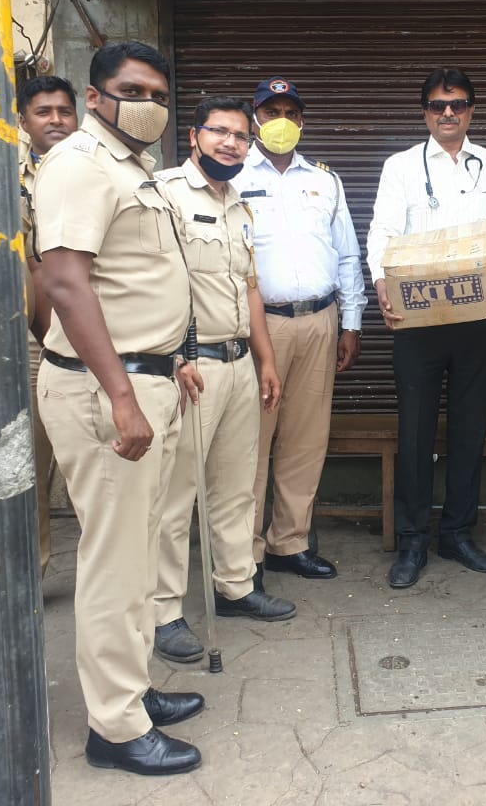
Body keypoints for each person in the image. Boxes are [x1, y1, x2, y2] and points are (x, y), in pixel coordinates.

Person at [32, 41, 204, 775]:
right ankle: (114, 727)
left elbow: (142, 278)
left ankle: (130, 689)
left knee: (137, 552)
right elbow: (67, 283)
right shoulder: (78, 162)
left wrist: (172, 361)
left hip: (149, 379)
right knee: (112, 559)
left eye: (161, 93)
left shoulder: (135, 169)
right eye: (134, 89)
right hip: (108, 390)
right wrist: (124, 395)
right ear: (97, 96)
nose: (151, 103)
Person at [366, 68, 486, 589]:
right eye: (437, 106)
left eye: (457, 104)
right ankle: (412, 539)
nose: (448, 113)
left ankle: (457, 532)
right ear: (425, 114)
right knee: (415, 429)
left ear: (472, 111)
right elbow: (383, 231)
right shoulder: (401, 167)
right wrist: (380, 284)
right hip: (418, 320)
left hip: (478, 315)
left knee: (469, 426)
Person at [152, 96, 290, 666]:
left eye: (240, 135)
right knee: (174, 494)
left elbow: (249, 288)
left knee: (235, 486)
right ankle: (162, 612)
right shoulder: (163, 196)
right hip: (192, 367)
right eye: (220, 132)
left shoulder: (239, 205)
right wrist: (171, 354)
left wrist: (266, 359)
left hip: (236, 363)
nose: (231, 143)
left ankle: (235, 585)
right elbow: (154, 281)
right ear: (194, 136)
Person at [235, 77, 365, 584]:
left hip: (318, 320)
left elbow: (347, 253)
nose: (280, 121)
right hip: (258, 326)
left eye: (290, 112)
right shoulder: (233, 174)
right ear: (255, 119)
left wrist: (350, 323)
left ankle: (290, 542)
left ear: (302, 121)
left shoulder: (325, 180)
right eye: (271, 112)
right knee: (251, 443)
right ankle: (244, 554)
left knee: (305, 440)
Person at [17, 74, 78, 575]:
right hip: (36, 344)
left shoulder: (91, 172)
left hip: (92, 341)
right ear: (23, 120)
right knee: (31, 466)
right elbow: (33, 268)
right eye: (44, 112)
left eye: (64, 110)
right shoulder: (6, 181)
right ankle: (32, 573)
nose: (56, 120)